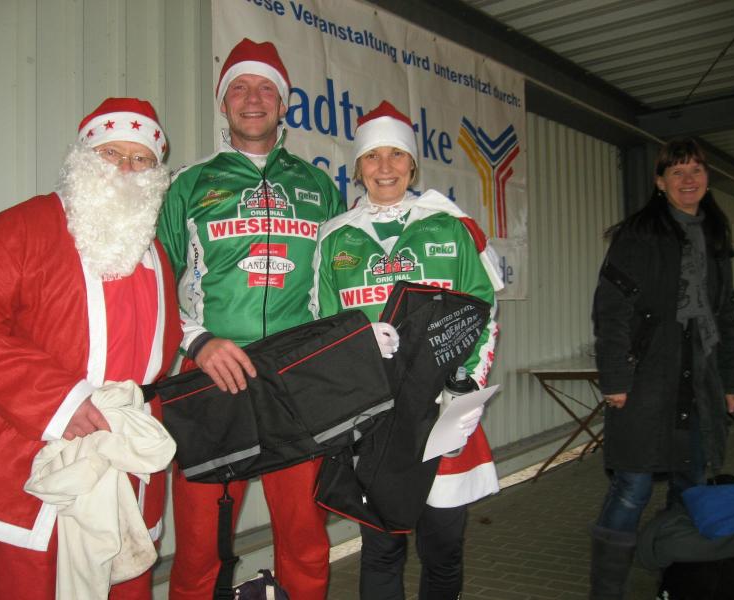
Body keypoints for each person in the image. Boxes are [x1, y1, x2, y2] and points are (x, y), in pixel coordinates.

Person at [0, 97, 183, 599]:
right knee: (30, 585)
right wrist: (61, 401)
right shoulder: (18, 229)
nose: (125, 169)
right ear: (82, 158)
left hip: (125, 457)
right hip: (34, 452)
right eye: (110, 152)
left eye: (140, 159)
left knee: (127, 585)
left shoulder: (155, 252)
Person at [156, 38, 344, 599]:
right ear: (224, 103)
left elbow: (339, 287)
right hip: (211, 373)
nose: (253, 98)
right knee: (199, 546)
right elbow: (156, 282)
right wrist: (197, 342)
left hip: (296, 380)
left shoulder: (319, 187)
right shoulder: (188, 183)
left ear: (284, 104)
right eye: (239, 87)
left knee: (305, 538)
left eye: (266, 88)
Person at [309, 100, 501, 600]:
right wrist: (355, 349)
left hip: (441, 413)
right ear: (358, 168)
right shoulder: (335, 238)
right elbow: (324, 326)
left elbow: (483, 312)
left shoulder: (449, 226)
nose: (385, 167)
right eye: (373, 157)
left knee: (443, 547)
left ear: (413, 165)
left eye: (396, 155)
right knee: (382, 547)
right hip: (374, 419)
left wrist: (466, 387)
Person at [589, 137, 734, 599]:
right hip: (646, 382)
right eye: (677, 171)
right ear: (660, 182)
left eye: (696, 169)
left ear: (707, 179)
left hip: (700, 382)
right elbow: (611, 309)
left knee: (690, 485)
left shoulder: (715, 236)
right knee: (632, 487)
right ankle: (606, 592)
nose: (688, 179)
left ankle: (676, 581)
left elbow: (725, 312)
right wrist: (615, 378)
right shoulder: (639, 235)